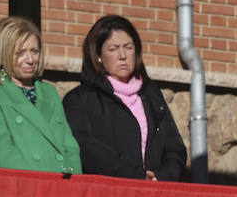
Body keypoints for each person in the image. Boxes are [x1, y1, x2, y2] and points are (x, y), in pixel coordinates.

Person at [63, 14, 187, 180]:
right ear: (98, 56)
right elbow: (85, 147)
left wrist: (162, 176)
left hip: (154, 192)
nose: (122, 55)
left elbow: (175, 147)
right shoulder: (80, 100)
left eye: (128, 47)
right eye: (113, 49)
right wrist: (134, 175)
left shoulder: (151, 95)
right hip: (107, 194)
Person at [0, 16, 82, 173]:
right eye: (21, 53)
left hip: (62, 189)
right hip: (25, 188)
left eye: (34, 51)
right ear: (3, 55)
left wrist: (70, 181)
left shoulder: (49, 92)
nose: (30, 60)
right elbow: (2, 152)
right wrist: (37, 184)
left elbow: (70, 147)